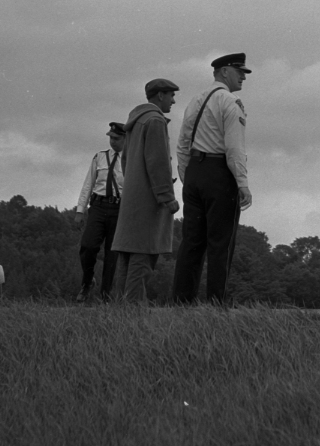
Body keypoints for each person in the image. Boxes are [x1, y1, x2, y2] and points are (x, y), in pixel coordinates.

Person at [171, 52, 253, 304]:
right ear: (224, 72)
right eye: (239, 72)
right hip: (219, 173)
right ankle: (217, 305)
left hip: (194, 172)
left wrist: (188, 176)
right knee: (221, 244)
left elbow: (182, 144)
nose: (243, 77)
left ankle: (181, 303)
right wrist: (242, 183)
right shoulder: (230, 101)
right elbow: (234, 147)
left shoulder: (195, 101)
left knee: (191, 242)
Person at [110, 78, 181, 302]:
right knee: (142, 262)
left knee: (127, 260)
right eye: (171, 95)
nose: (173, 101)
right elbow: (158, 163)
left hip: (132, 199)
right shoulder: (155, 121)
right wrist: (167, 197)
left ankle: (119, 311)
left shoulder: (135, 121)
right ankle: (133, 312)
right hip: (149, 203)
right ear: (160, 95)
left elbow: (125, 161)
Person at [74, 122, 126, 302]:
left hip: (119, 208)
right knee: (88, 246)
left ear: (125, 139)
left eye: (117, 138)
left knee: (112, 253)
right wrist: (80, 210)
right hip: (98, 205)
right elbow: (88, 184)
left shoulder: (130, 160)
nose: (113, 142)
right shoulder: (100, 157)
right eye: (111, 138)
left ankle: (106, 295)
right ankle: (87, 282)